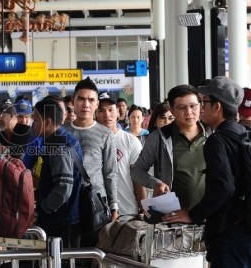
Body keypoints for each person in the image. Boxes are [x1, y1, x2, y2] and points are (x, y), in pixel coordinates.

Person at [163, 76, 251, 267]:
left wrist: (194, 214)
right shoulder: (243, 134)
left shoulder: (216, 140)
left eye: (204, 102)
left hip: (229, 234)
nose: (201, 108)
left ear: (217, 106)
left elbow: (224, 187)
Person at [131, 85, 207, 211]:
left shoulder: (212, 136)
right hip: (172, 217)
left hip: (208, 215)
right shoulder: (159, 138)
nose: (189, 112)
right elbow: (136, 171)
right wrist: (155, 183)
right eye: (182, 107)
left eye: (193, 106)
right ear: (172, 110)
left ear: (200, 106)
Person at [64, 77, 118, 246]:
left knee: (93, 255)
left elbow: (110, 172)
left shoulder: (105, 134)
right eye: (81, 99)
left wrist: (114, 205)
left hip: (95, 205)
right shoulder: (61, 132)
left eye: (91, 100)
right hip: (66, 203)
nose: (85, 104)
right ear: (73, 102)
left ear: (96, 105)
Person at [31, 98, 82, 250]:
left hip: (61, 222)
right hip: (65, 217)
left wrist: (42, 209)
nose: (33, 124)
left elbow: (63, 188)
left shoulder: (58, 145)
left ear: (46, 122)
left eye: (35, 120)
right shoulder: (63, 138)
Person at [96, 95, 144, 216]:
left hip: (126, 212)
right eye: (101, 110)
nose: (107, 114)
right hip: (96, 213)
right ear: (95, 113)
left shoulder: (131, 141)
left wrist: (143, 208)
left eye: (111, 109)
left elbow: (138, 178)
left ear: (118, 112)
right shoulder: (89, 141)